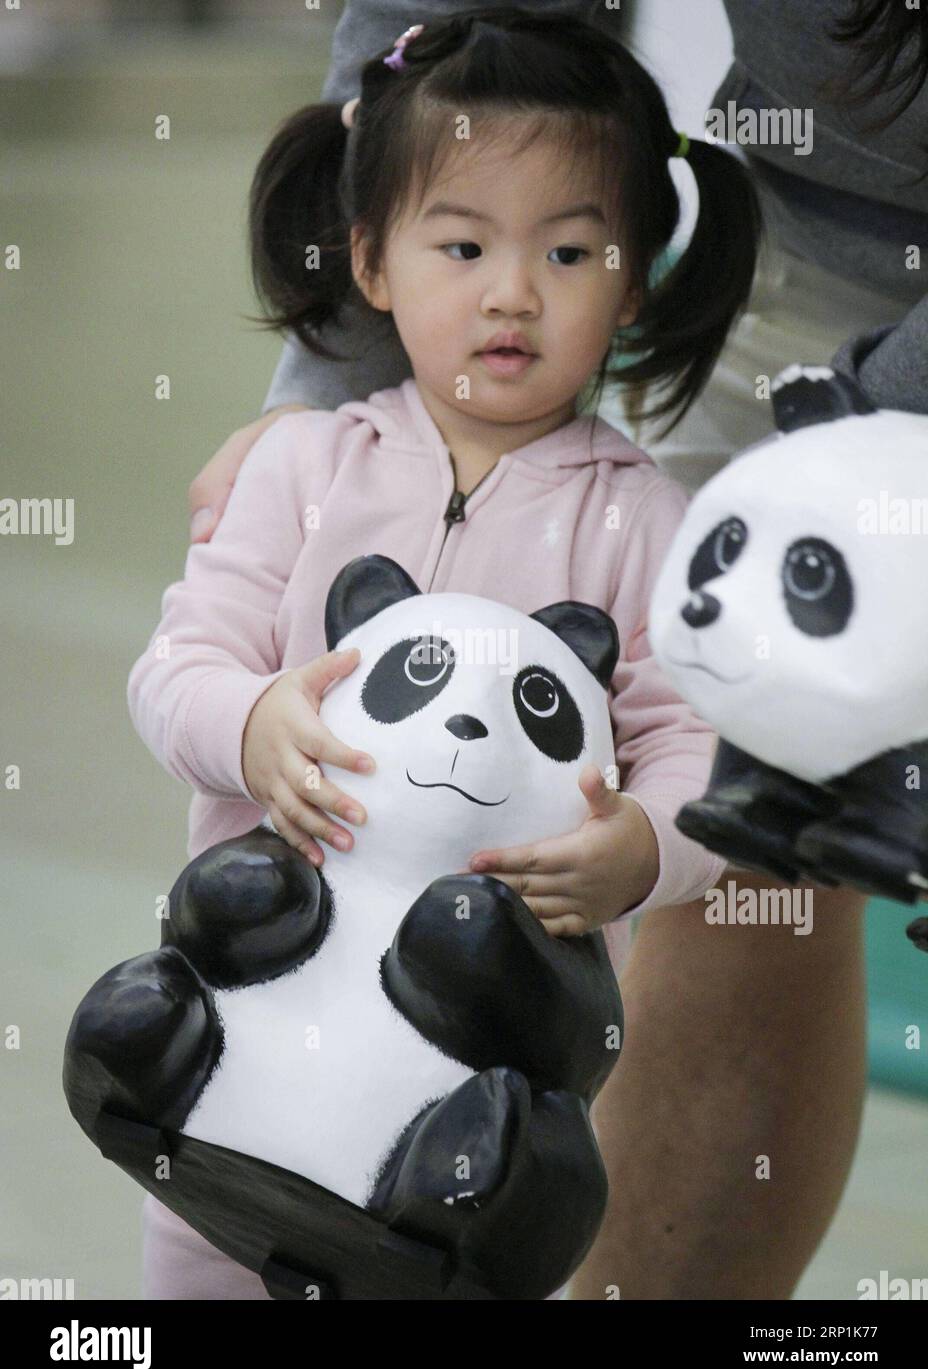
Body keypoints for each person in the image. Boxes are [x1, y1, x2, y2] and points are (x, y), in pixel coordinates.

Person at [127, 5, 765, 1298]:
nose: (512, 291)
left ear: (636, 279)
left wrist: (647, 844)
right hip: (253, 1026)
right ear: (372, 260)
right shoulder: (302, 469)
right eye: (462, 243)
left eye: (572, 251)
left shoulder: (645, 521)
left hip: (470, 1080)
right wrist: (251, 723)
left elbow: (699, 750)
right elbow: (178, 665)